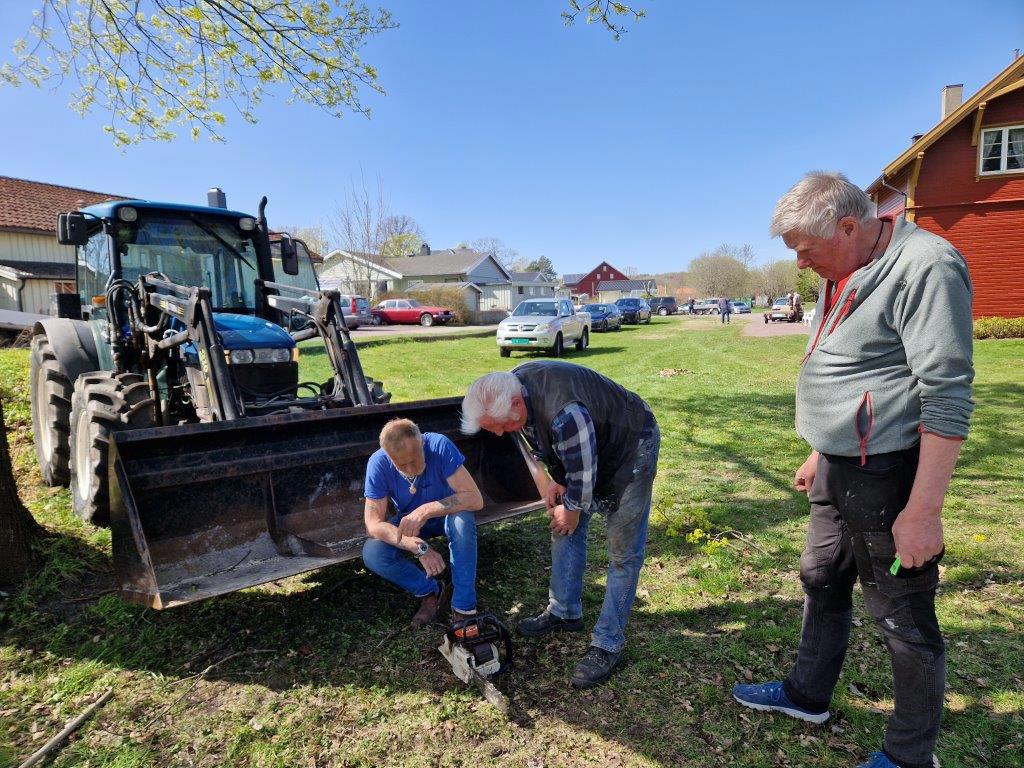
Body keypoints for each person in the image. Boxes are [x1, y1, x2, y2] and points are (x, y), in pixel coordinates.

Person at [732, 172, 974, 768]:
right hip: (839, 465)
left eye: (806, 250)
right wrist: (821, 445)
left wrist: (924, 512)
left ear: (848, 225)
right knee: (820, 575)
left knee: (901, 614)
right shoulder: (841, 268)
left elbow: (947, 394)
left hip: (889, 474)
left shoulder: (927, 266)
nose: (802, 263)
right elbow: (842, 360)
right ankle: (806, 695)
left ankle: (911, 755)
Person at [461, 361, 659, 688]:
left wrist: (574, 505)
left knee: (623, 554)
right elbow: (544, 444)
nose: (496, 433)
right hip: (589, 449)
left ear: (516, 404)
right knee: (562, 526)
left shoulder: (565, 413)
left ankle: (607, 644)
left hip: (630, 448)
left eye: (496, 425)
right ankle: (564, 611)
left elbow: (583, 470)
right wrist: (557, 482)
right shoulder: (515, 387)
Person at [362, 418, 484, 628]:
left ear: (422, 443)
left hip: (448, 513)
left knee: (462, 524)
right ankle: (429, 592)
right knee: (373, 553)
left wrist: (426, 510)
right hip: (411, 523)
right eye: (402, 464)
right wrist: (417, 547)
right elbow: (373, 524)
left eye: (416, 459)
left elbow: (475, 498)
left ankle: (464, 607)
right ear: (389, 458)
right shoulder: (378, 463)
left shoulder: (439, 445)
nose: (411, 468)